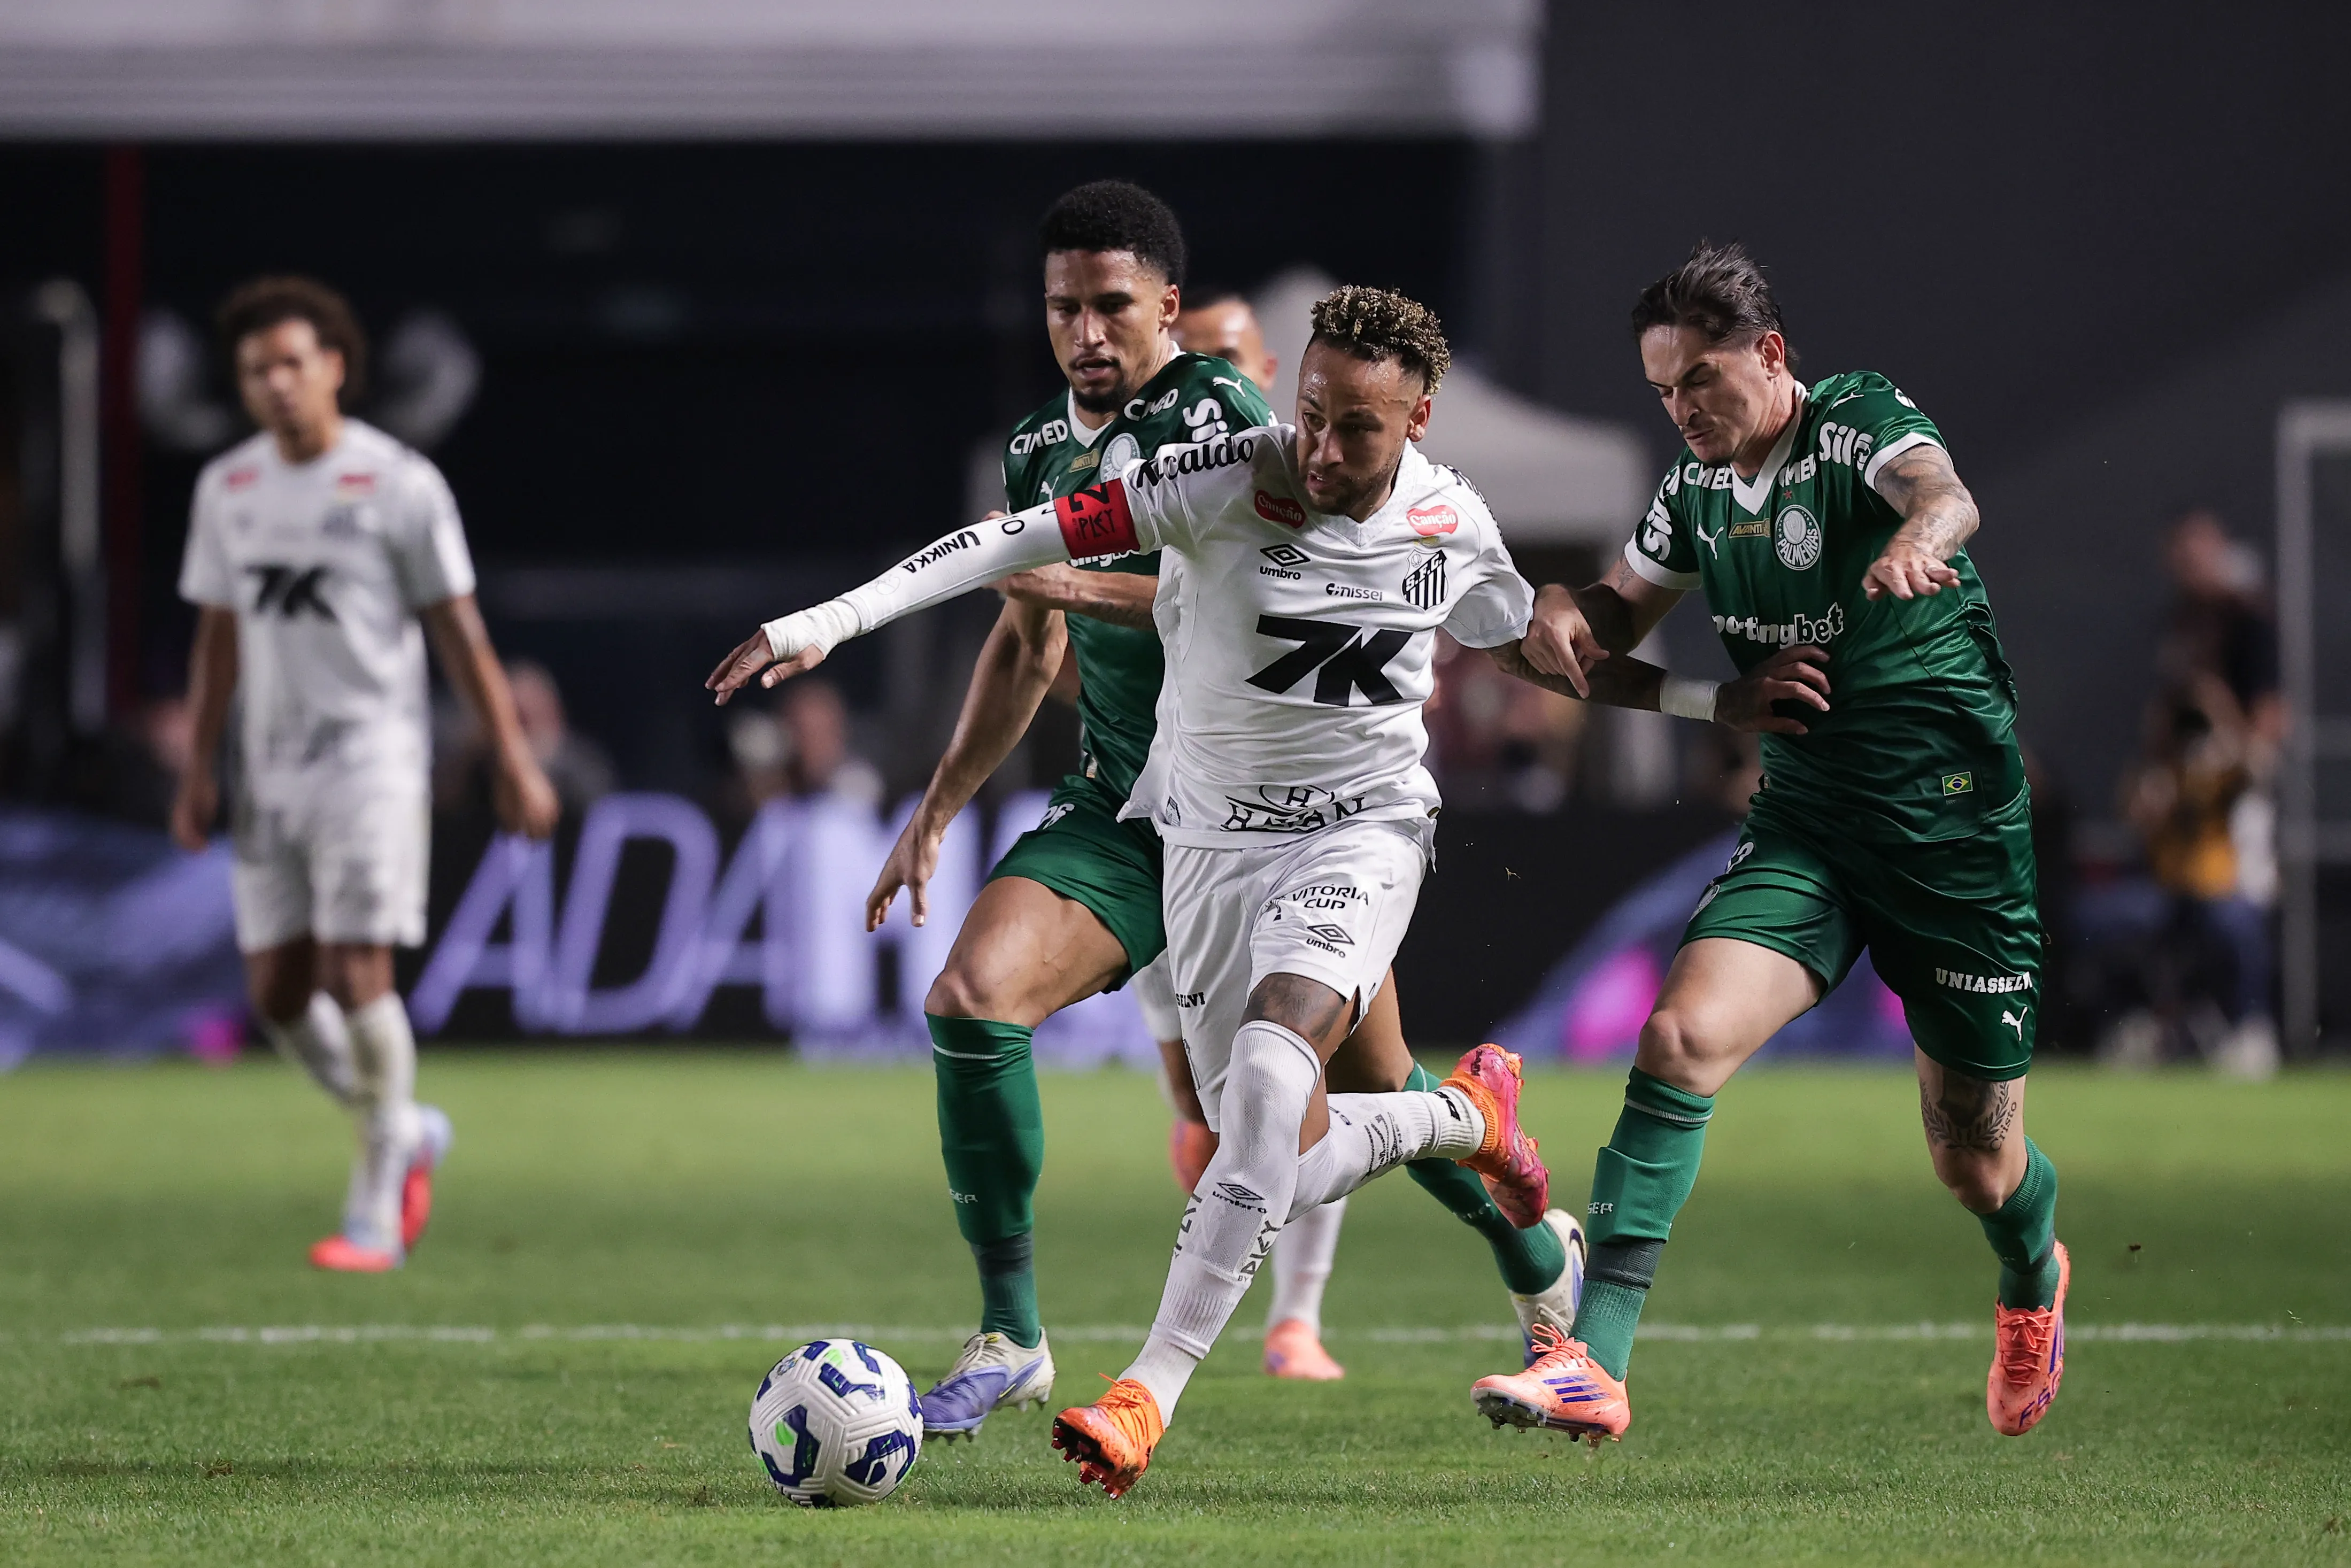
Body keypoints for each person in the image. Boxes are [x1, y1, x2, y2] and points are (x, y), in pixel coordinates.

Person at [708, 282, 1805, 1494]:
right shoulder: (1221, 476)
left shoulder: (1453, 522)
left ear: (1420, 419)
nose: (1321, 449)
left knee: (1279, 1074)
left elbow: (1537, 652)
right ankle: (1463, 1118)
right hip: (1205, 854)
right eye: (1312, 412)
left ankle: (1144, 1390)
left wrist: (1714, 701)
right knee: (1274, 1141)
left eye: (1357, 428)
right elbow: (1009, 539)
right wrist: (829, 619)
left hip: (1361, 839)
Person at [1476, 242, 2069, 1442]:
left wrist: (1920, 540)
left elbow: (1942, 490)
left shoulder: (1852, 422)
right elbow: (1608, 619)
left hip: (1948, 830)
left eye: (1700, 378)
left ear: (1770, 355)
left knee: (1975, 1167)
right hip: (1808, 822)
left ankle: (2030, 1273)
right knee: (1678, 1032)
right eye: (1661, 391)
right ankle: (1600, 1362)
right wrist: (1554, 613)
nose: (1682, 408)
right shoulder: (1693, 493)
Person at [172, 276, 558, 1272]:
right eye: (257, 370)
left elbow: (460, 631)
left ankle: (376, 1206)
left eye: (293, 362)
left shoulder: (398, 484)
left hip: (372, 761)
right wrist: (199, 768)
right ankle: (406, 1123)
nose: (276, 383)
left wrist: (512, 757)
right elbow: (218, 636)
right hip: (266, 772)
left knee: (356, 974)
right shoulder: (229, 489)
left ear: (336, 366)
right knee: (279, 998)